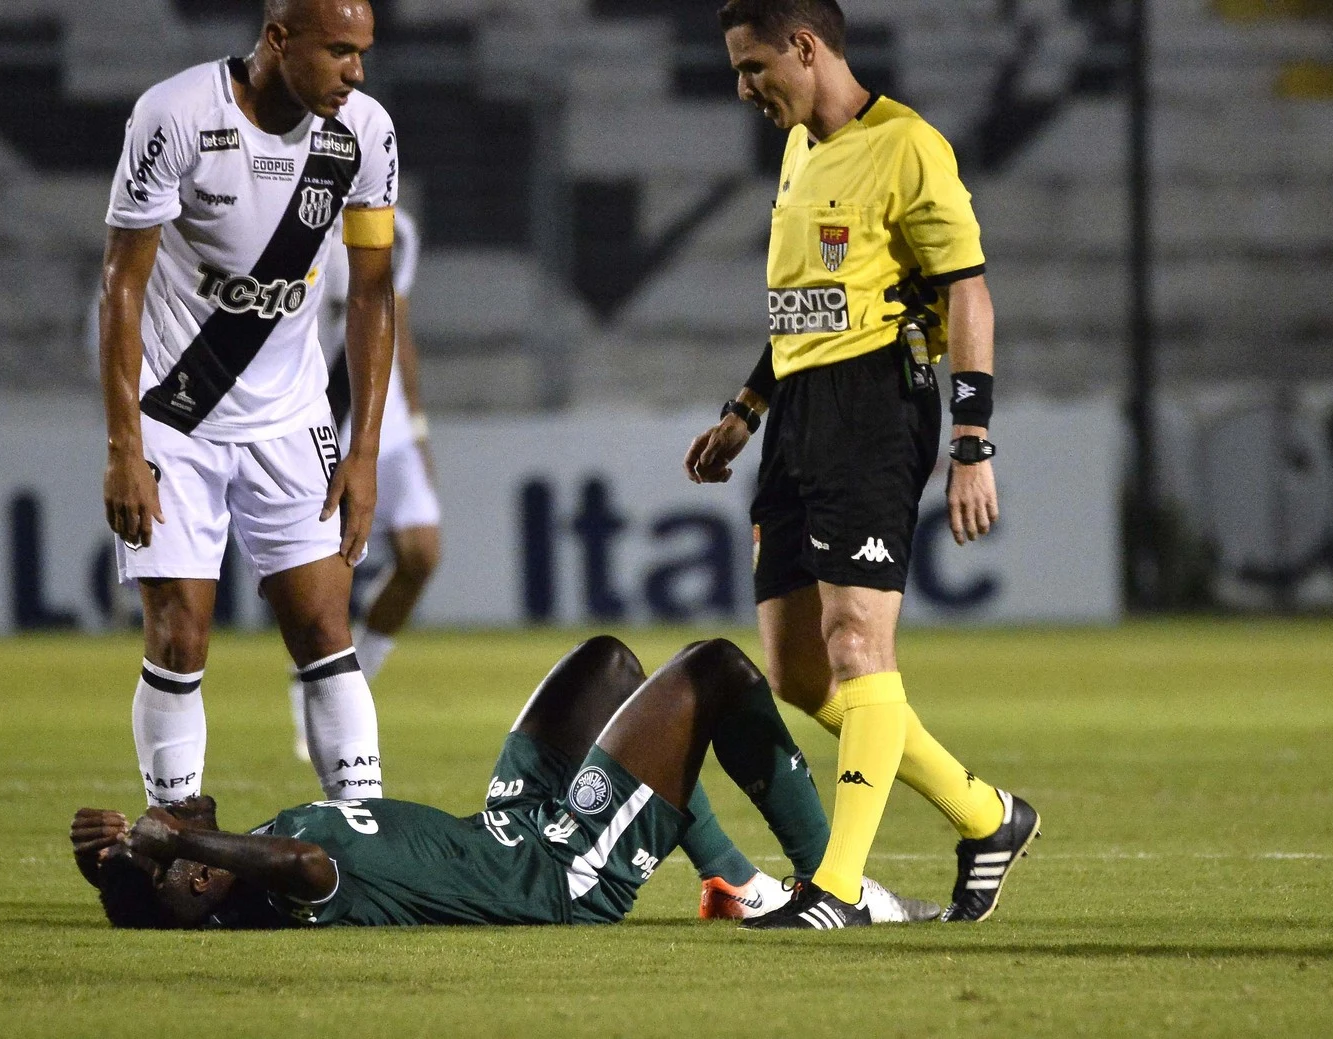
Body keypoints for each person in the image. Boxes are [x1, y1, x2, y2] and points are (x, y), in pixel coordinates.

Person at [682, 0, 1039, 928]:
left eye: (754, 66)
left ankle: (833, 889)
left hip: (877, 405)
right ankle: (986, 815)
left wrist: (972, 441)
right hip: (799, 411)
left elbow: (969, 293)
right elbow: (805, 306)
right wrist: (747, 408)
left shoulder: (910, 146)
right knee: (802, 672)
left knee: (857, 643)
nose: (743, 87)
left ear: (806, 47)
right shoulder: (800, 149)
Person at [70, 638, 941, 929]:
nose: (162, 821)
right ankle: (839, 883)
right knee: (715, 671)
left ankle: (734, 883)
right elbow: (305, 864)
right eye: (165, 846)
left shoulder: (226, 863)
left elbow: (191, 855)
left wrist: (114, 864)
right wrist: (170, 844)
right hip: (559, 874)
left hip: (510, 825)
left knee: (608, 665)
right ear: (193, 876)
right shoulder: (275, 891)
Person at [98, 0, 399, 806]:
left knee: (327, 634)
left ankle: (361, 834)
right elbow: (121, 286)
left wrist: (362, 451)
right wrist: (125, 444)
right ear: (277, 39)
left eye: (362, 52)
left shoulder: (365, 132)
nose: (356, 72)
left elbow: (372, 295)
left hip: (293, 420)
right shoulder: (176, 116)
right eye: (339, 51)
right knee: (179, 636)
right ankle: (175, 830)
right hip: (177, 416)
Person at [288, 210, 441, 762]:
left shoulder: (397, 228)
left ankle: (362, 673)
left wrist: (418, 429)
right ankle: (316, 690)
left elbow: (396, 325)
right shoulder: (294, 211)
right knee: (326, 570)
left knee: (421, 554)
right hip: (320, 415)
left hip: (387, 424)